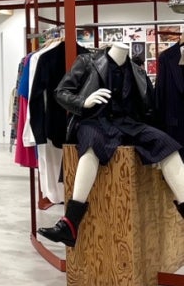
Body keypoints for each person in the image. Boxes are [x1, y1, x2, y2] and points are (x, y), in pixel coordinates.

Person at [38, 42, 184, 247]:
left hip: (128, 125)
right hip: (94, 121)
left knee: (167, 144)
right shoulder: (87, 61)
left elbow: (148, 109)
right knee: (91, 143)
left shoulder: (138, 72)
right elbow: (61, 92)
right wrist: (83, 102)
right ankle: (69, 223)